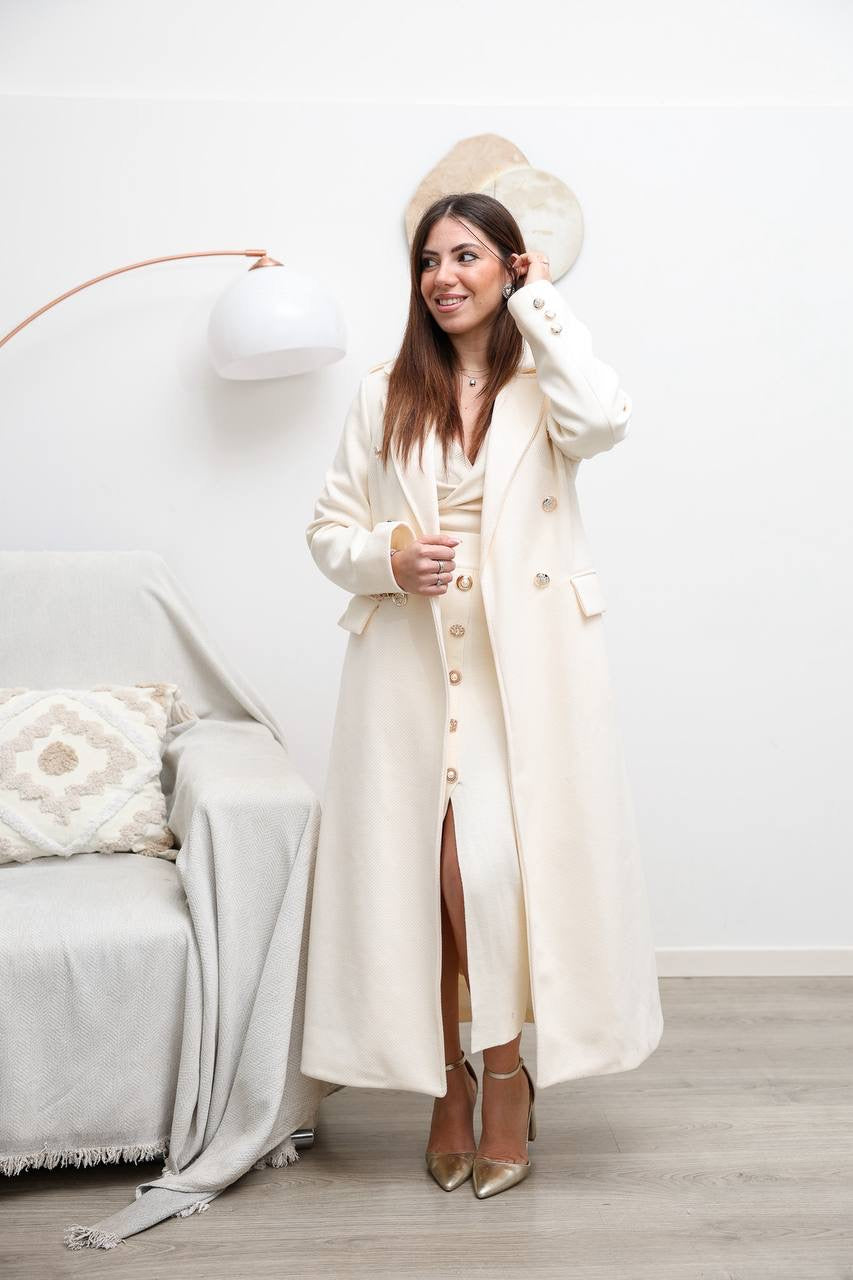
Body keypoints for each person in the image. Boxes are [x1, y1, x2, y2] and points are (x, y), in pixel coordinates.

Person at [301, 192, 664, 1201]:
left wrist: (544, 307)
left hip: (523, 665)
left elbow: (605, 421)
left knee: (487, 872)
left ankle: (502, 1074)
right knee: (423, 876)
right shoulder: (384, 392)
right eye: (428, 260)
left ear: (510, 265)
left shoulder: (548, 380)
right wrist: (387, 556)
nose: (443, 277)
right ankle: (447, 1079)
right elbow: (328, 528)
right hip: (410, 662)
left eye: (466, 256)